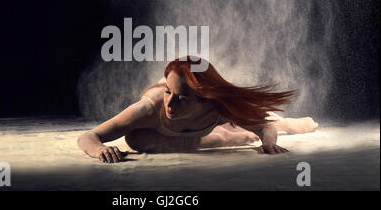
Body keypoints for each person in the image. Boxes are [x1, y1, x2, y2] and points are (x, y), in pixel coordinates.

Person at [78, 56, 318, 163]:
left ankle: (288, 123)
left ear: (205, 99)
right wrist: (98, 149)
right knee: (135, 139)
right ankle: (229, 138)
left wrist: (268, 142)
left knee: (253, 120)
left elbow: (264, 125)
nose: (169, 104)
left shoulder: (218, 107)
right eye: (167, 91)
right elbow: (88, 136)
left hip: (206, 124)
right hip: (179, 134)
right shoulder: (149, 108)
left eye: (181, 98)